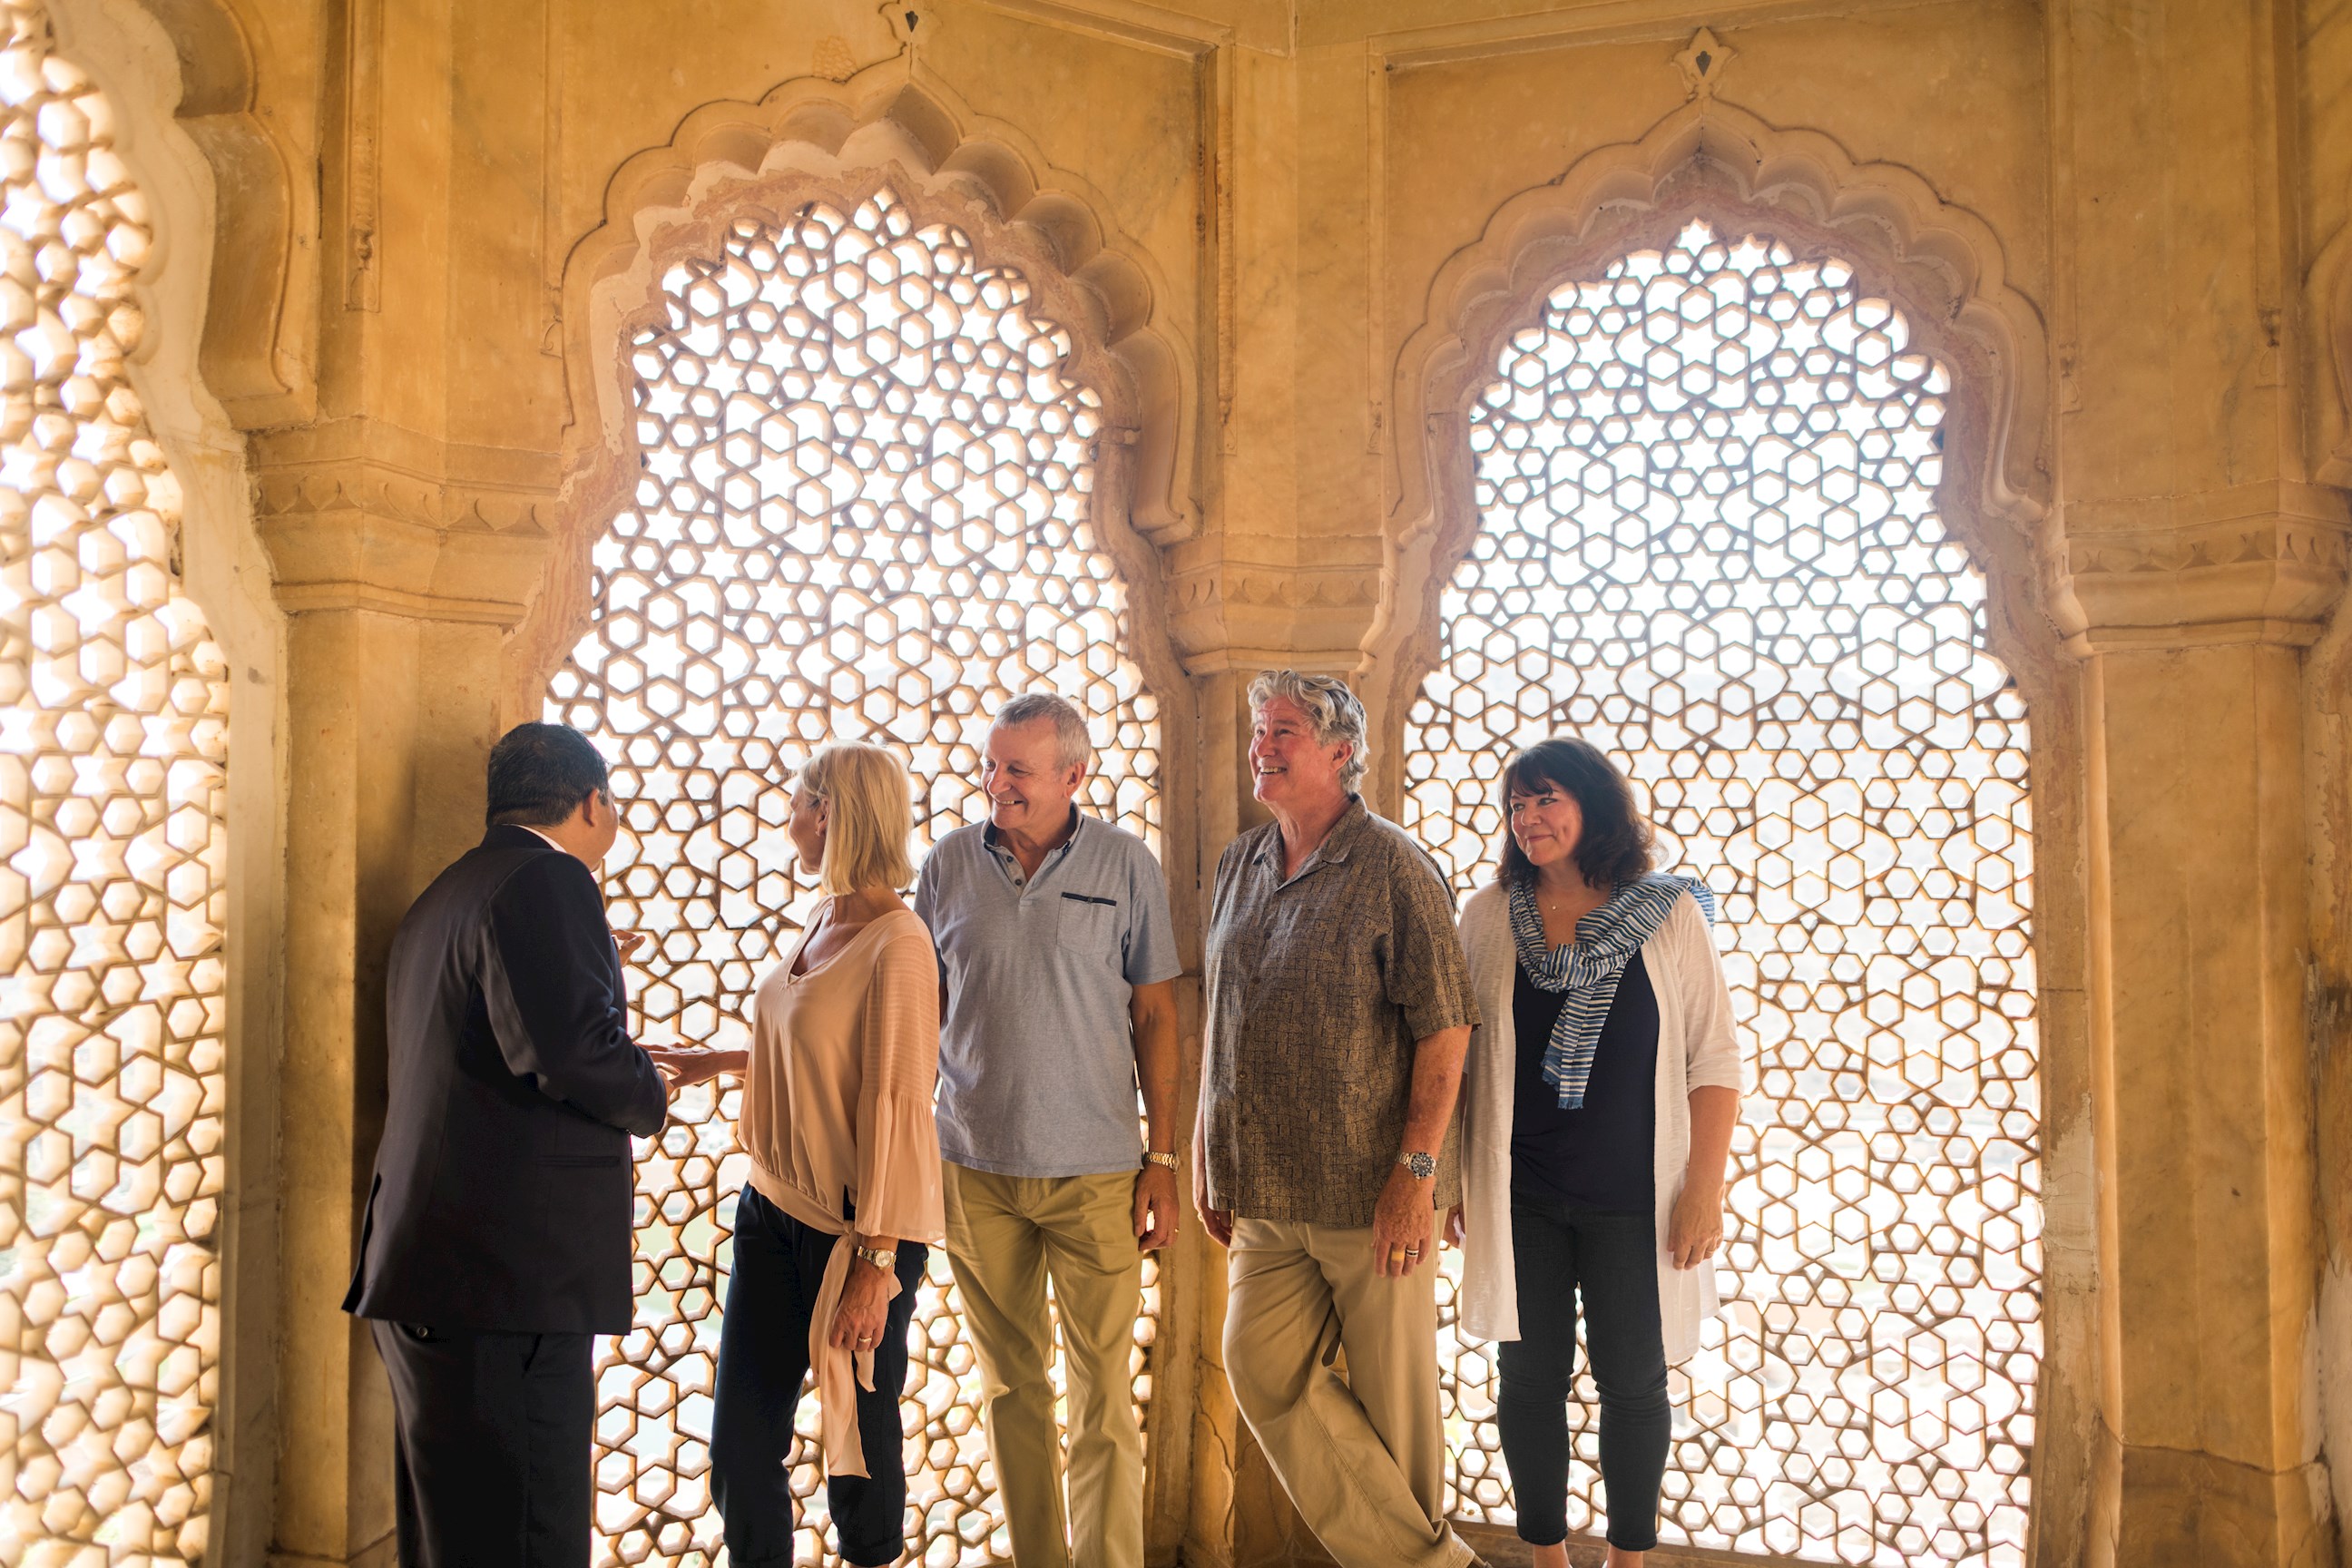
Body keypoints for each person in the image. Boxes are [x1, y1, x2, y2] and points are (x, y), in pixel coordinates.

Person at [344, 721, 671, 1568]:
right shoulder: (550, 880)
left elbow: (500, 1036)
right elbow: (567, 1053)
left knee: (454, 1542)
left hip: (431, 1273)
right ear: (592, 801)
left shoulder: (452, 888)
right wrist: (652, 1086)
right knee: (526, 1541)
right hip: (504, 1289)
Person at [1194, 670, 1483, 1568]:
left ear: (1341, 753)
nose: (1262, 746)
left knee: (1397, 1417)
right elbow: (1225, 1013)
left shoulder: (1395, 865)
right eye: (1257, 731)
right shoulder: (1239, 864)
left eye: (1282, 730)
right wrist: (1210, 1151)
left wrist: (1417, 1177)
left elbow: (1445, 1027)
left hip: (1373, 1196)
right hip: (1264, 1192)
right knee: (1259, 1367)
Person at [1449, 738, 1741, 1568]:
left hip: (1634, 1203)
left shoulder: (1667, 912)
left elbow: (1713, 1059)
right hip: (1523, 1197)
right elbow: (1458, 1055)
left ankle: (1629, 1557)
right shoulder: (1488, 916)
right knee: (1528, 1383)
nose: (1529, 818)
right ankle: (1546, 1554)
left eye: (1546, 799)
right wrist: (1453, 1184)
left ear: (1593, 806)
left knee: (1634, 1385)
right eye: (1516, 804)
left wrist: (1704, 1190)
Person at [649, 742, 942, 1568]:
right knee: (741, 1443)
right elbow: (821, 1054)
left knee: (861, 1454)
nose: (788, 821)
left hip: (857, 1233)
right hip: (770, 1210)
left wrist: (877, 1264)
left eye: (798, 804)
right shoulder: (824, 918)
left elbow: (896, 1100)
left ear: (831, 814)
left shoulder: (899, 942)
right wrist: (720, 1062)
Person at [911, 691, 1183, 1568]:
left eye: (1017, 771)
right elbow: (924, 1012)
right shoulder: (947, 864)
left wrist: (1164, 1158)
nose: (997, 784)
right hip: (972, 1171)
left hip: (1098, 1173)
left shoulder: (1127, 865)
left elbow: (1157, 1019)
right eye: (991, 766)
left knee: (1104, 1393)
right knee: (1012, 1389)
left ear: (1076, 774)